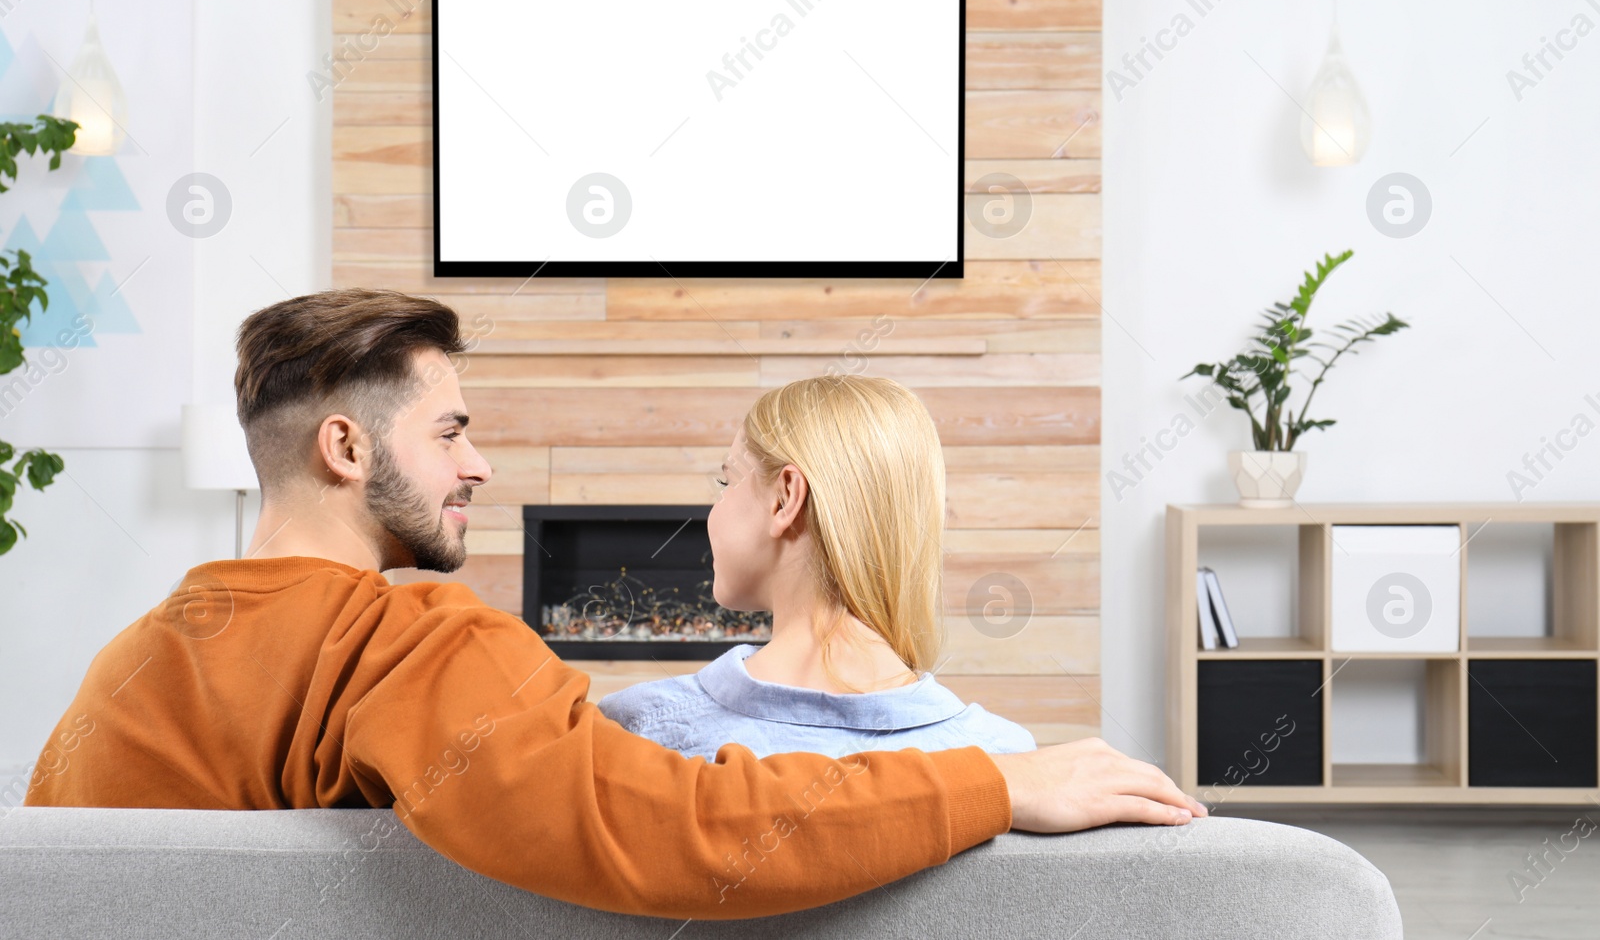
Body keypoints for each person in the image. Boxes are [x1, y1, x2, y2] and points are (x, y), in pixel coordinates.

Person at [24, 289, 1205, 921]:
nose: (478, 464)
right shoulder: (410, 644)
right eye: (450, 431)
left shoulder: (120, 675)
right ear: (344, 447)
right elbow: (671, 826)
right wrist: (997, 780)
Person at [600, 375, 1036, 762]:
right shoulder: (1006, 759)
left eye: (726, 482)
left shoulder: (639, 734)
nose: (714, 510)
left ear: (785, 497)